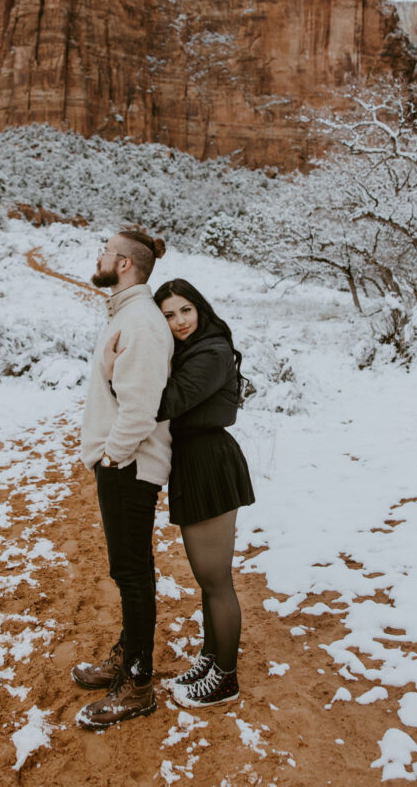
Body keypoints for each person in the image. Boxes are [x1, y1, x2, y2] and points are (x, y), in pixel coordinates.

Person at [105, 278, 255, 708]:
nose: (179, 321)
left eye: (185, 310)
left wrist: (121, 372)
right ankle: (211, 659)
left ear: (200, 309)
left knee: (216, 580)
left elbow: (167, 401)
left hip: (209, 461)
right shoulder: (193, 350)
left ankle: (225, 678)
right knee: (207, 581)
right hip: (194, 462)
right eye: (168, 315)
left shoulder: (212, 351)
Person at [73, 227, 174, 730]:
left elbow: (140, 408)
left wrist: (112, 458)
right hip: (122, 463)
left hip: (130, 466)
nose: (99, 257)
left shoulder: (143, 322)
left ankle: (138, 684)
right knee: (126, 571)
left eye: (105, 251)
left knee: (133, 574)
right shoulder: (126, 314)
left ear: (126, 264)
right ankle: (126, 656)